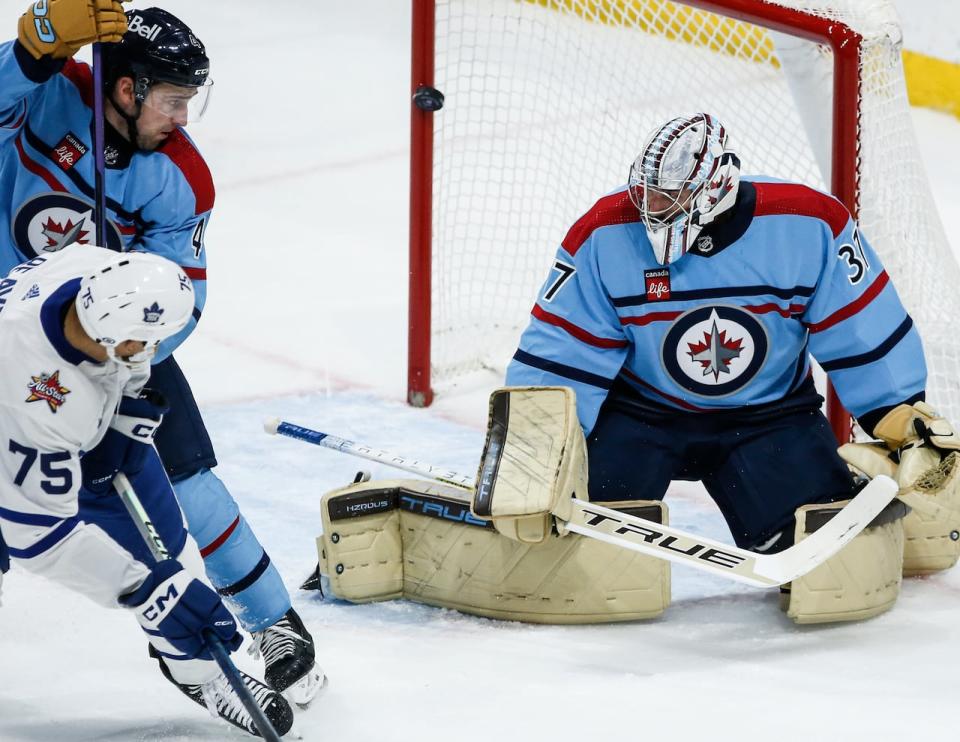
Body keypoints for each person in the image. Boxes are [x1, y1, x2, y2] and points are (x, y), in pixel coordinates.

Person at [0, 1, 322, 703]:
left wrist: (125, 367)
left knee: (186, 473)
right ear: (126, 88)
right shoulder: (48, 95)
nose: (182, 118)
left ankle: (274, 623)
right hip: (8, 334)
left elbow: (182, 297)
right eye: (174, 101)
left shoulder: (180, 176)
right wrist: (33, 48)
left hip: (113, 344)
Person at [505, 112, 958, 563]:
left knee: (828, 558)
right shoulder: (603, 233)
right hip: (640, 414)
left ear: (717, 186)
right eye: (647, 191)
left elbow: (861, 325)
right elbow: (565, 347)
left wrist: (898, 411)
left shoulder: (808, 224)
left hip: (770, 417)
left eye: (670, 195)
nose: (652, 205)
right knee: (578, 544)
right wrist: (535, 447)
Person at [0, 244, 293, 736]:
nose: (148, 352)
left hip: (64, 418)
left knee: (173, 557)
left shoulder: (98, 275)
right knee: (159, 586)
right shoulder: (32, 387)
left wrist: (121, 411)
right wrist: (145, 591)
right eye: (140, 344)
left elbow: (134, 348)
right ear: (109, 335)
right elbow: (37, 535)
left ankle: (202, 675)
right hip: (16, 436)